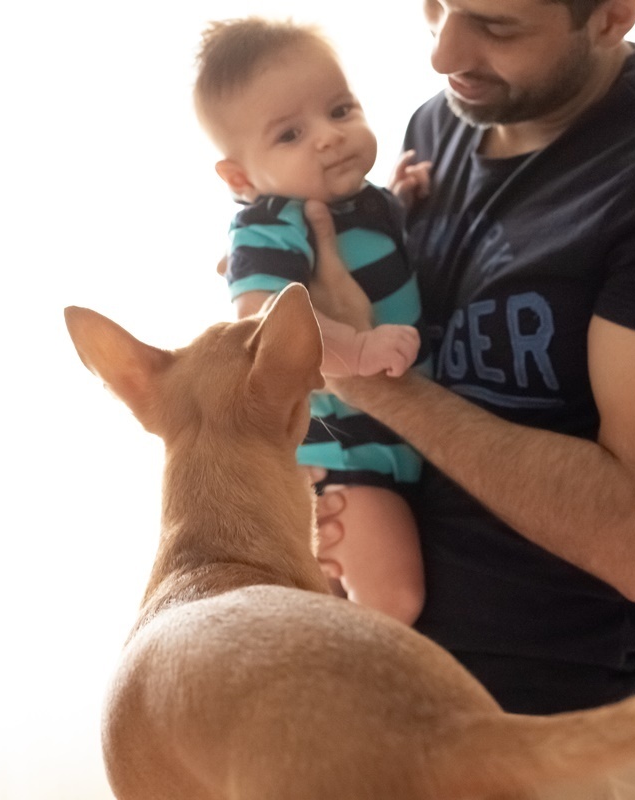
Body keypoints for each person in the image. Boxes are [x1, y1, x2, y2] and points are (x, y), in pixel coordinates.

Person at [305, 0, 635, 795]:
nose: (444, 52)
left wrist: (356, 374)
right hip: (395, 711)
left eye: (495, 25)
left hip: (568, 741)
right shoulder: (441, 125)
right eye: (433, 3)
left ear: (612, 14)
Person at [193, 17, 428, 624]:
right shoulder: (270, 222)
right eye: (291, 133)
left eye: (341, 110)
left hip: (394, 440)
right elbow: (268, 323)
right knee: (395, 600)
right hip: (345, 457)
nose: (329, 137)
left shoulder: (363, 201)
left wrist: (402, 202)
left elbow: (371, 256)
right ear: (241, 177)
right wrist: (353, 349)